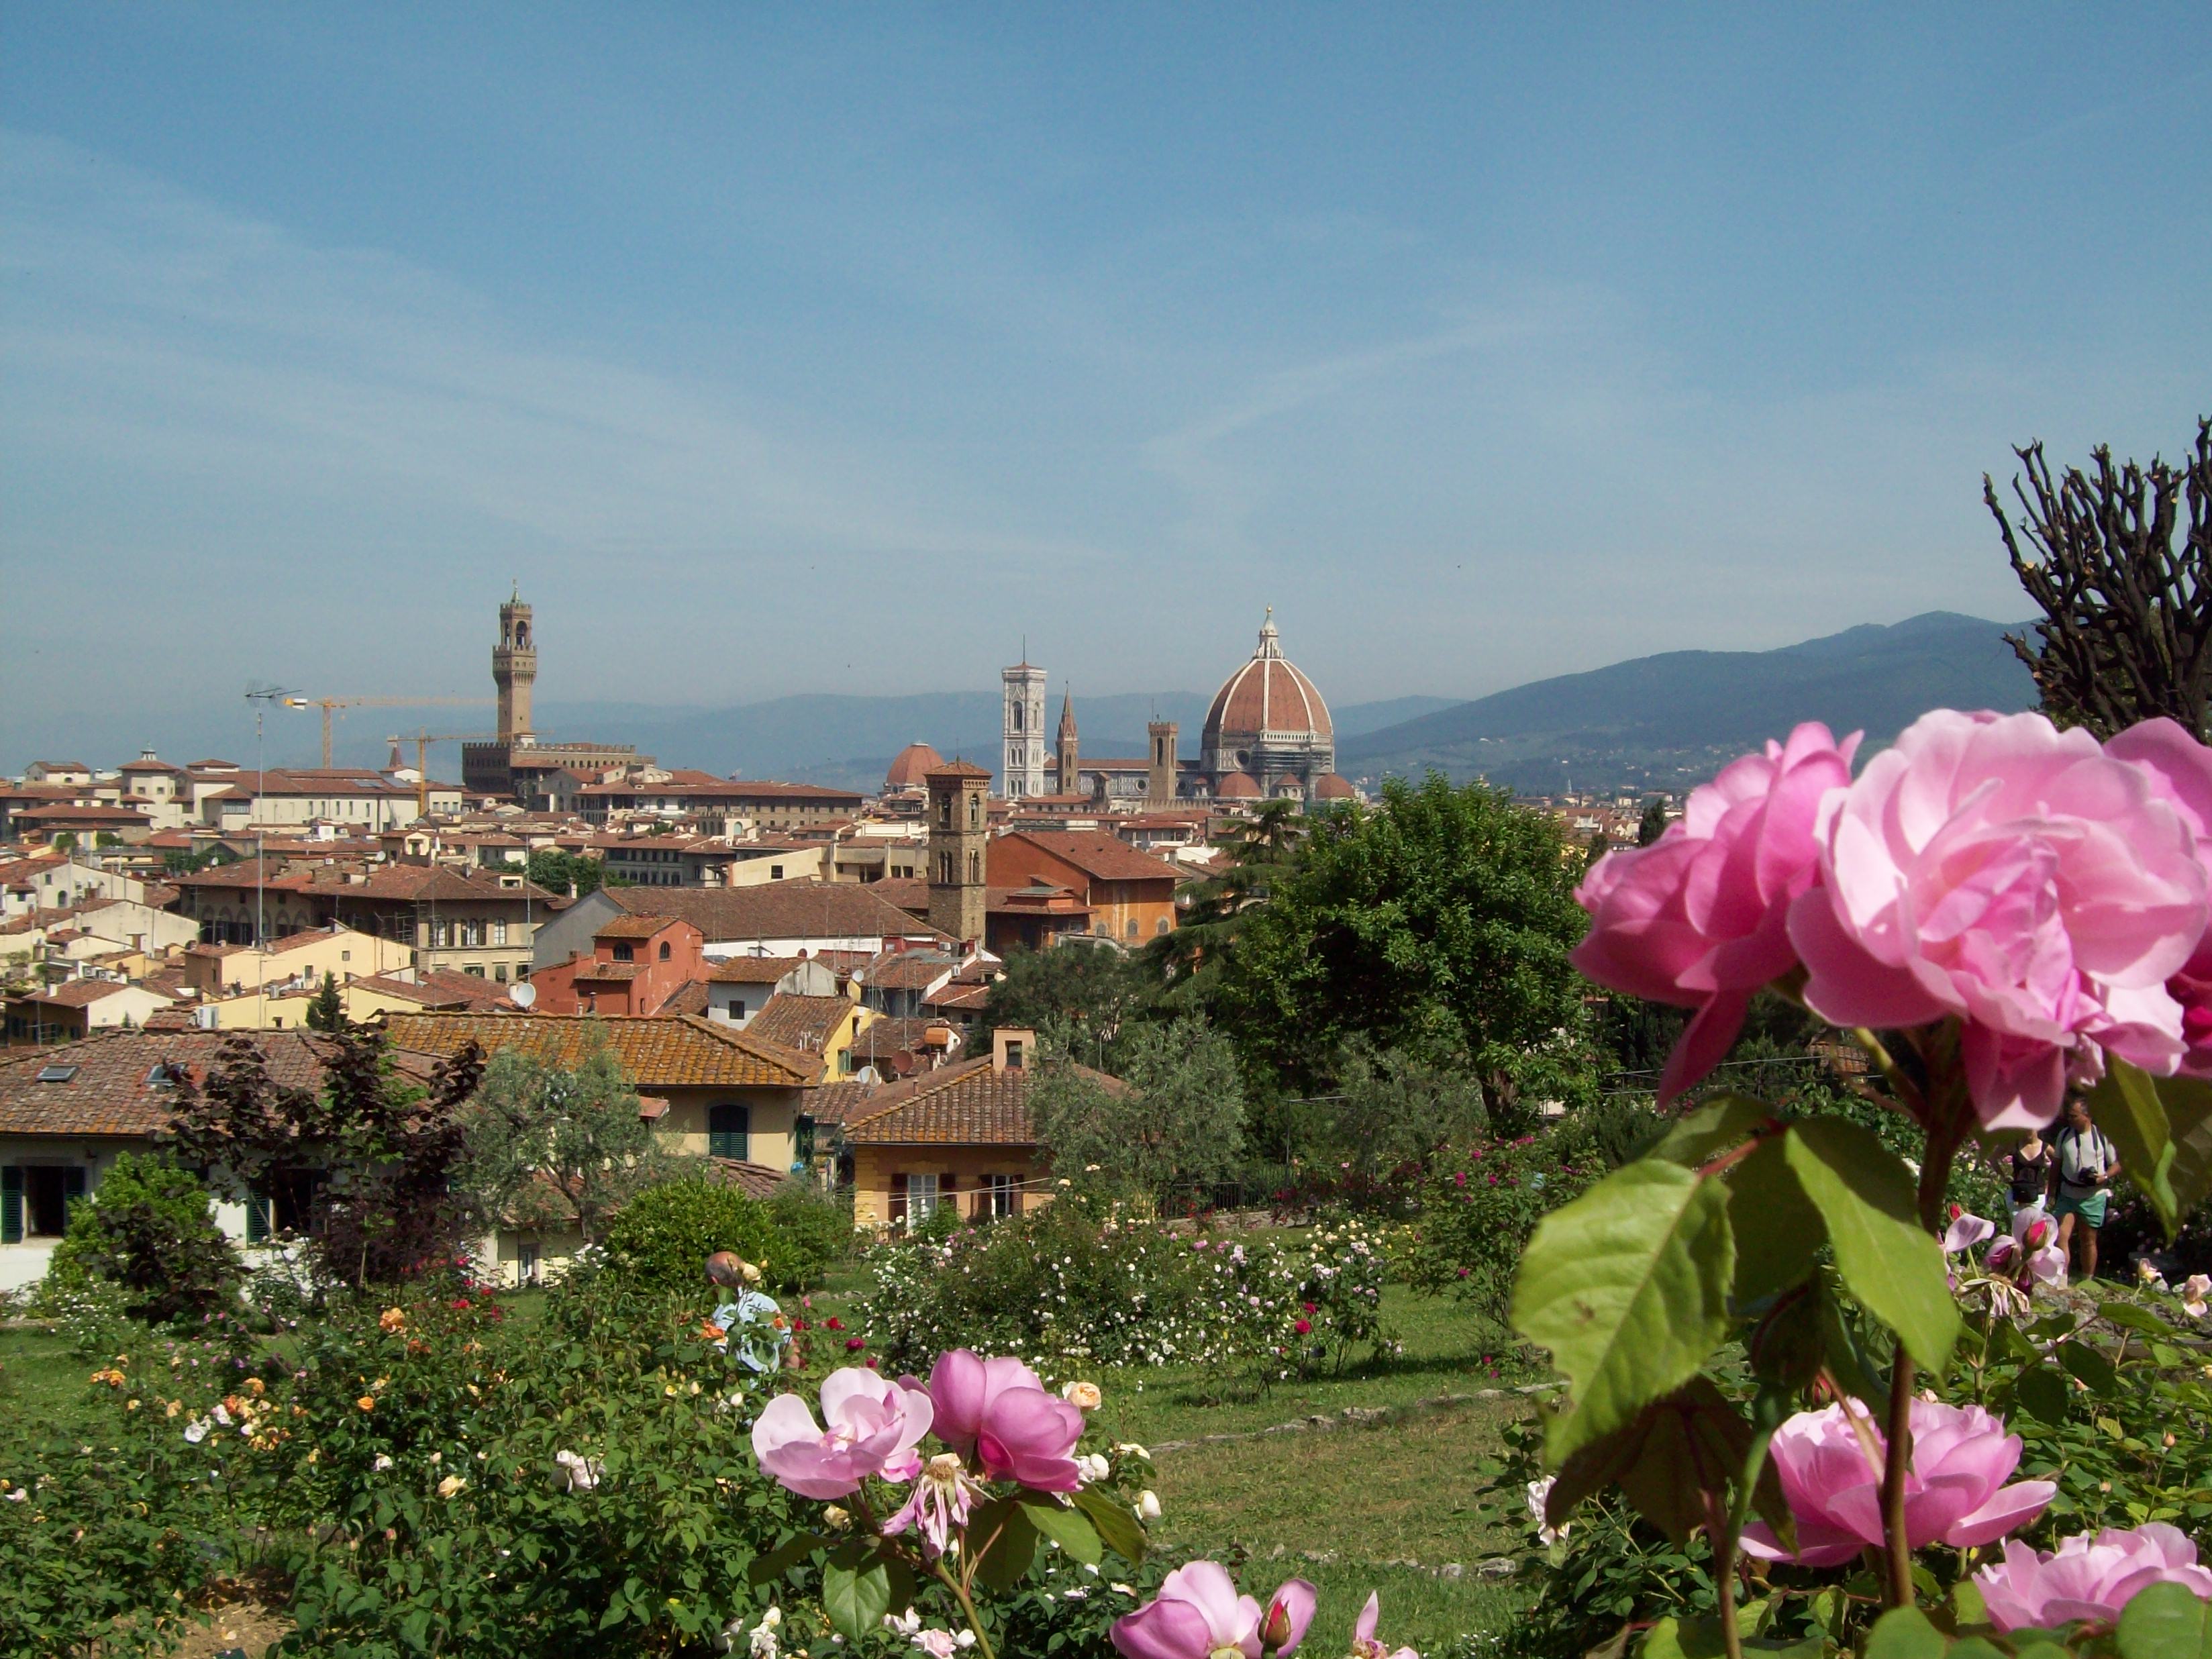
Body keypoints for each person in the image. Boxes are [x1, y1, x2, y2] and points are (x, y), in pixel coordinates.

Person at [2052, 1097, 2121, 1281]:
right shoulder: (2064, 1135)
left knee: (2088, 1239)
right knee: (2061, 1235)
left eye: (2074, 1116)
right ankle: (2062, 1277)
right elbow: (2056, 1165)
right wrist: (2052, 1192)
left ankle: (2086, 1279)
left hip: (2092, 1196)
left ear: (2087, 1116)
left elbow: (2117, 1164)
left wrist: (2104, 1177)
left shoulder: (2101, 1137)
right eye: (2069, 1116)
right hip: (2068, 1193)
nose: (2070, 1119)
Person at [2001, 1123, 2055, 1230]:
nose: (2027, 1133)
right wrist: (2003, 1176)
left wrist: (2049, 1185)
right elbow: (1993, 1158)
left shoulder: (2045, 1147)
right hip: (2016, 1195)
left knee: (2035, 1228)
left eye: (2030, 1130)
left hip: (2037, 1194)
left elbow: (2058, 1163)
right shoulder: (2015, 1145)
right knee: (2018, 1228)